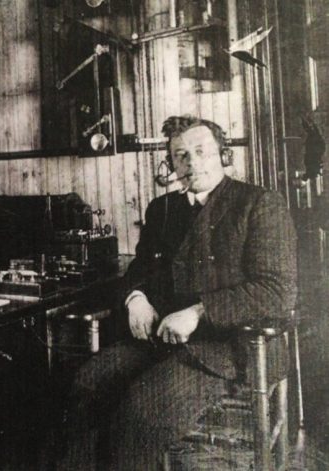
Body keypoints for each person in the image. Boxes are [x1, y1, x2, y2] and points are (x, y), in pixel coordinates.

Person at [55, 115, 297, 470]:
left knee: (140, 411)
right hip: (162, 341)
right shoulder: (163, 209)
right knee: (87, 384)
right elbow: (140, 270)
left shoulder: (259, 204)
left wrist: (198, 312)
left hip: (231, 346)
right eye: (181, 155)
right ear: (171, 163)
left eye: (201, 152)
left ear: (223, 155)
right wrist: (135, 298)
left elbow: (277, 291)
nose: (192, 162)